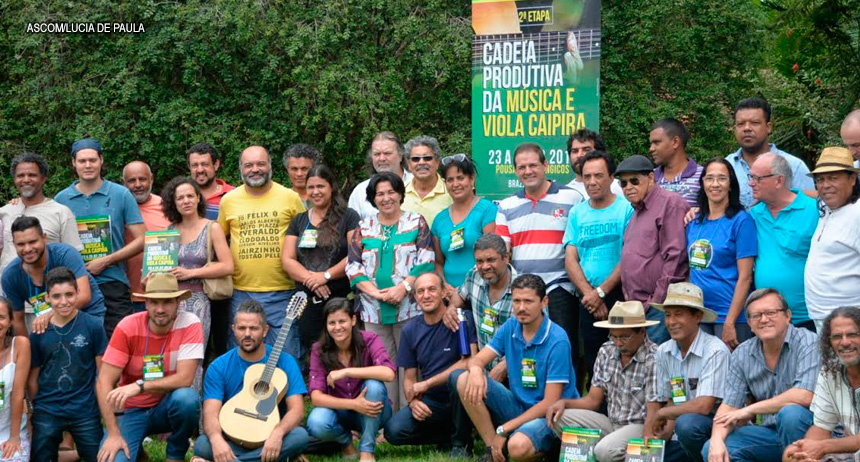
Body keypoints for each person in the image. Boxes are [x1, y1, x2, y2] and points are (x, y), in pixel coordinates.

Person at [453, 274, 579, 462]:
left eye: (528, 301)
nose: (521, 308)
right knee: (464, 378)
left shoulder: (557, 339)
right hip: (519, 405)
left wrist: (505, 428)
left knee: (517, 447)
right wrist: (477, 371)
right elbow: (476, 360)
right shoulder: (511, 325)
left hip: (551, 415)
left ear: (544, 302)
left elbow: (549, 402)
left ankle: (544, 450)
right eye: (516, 301)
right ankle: (492, 450)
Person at [346, 171, 435, 409]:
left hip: (409, 307)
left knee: (410, 362)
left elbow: (426, 261)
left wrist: (403, 288)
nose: (386, 198)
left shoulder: (416, 222)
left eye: (391, 192)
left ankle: (410, 416)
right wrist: (376, 294)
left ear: (401, 194)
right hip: (373, 310)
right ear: (373, 198)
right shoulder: (363, 227)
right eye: (380, 194)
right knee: (384, 364)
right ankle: (387, 419)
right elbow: (353, 267)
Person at [496, 143, 585, 372]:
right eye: (521, 167)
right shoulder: (506, 206)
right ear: (515, 171)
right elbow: (504, 253)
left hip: (560, 288)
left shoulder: (571, 198)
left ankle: (565, 403)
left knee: (564, 352)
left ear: (545, 165)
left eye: (533, 165)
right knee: (528, 355)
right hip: (524, 292)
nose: (528, 171)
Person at [702, 288, 819, 462]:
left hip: (812, 433)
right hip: (770, 434)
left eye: (771, 313)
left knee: (791, 414)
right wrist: (717, 441)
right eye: (756, 316)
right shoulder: (742, 353)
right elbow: (728, 408)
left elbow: (804, 396)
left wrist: (748, 410)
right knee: (711, 449)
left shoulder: (808, 342)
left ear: (788, 316)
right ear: (749, 323)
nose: (764, 320)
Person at [96, 272, 203, 462]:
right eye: (154, 302)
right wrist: (113, 434)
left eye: (167, 302)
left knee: (187, 399)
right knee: (114, 459)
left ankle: (175, 454)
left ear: (178, 302)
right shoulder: (127, 326)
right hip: (132, 409)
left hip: (166, 405)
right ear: (145, 303)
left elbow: (185, 378)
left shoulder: (190, 323)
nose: (160, 309)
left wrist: (139, 386)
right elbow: (104, 381)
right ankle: (135, 451)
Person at [193, 299, 309, 462]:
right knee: (204, 444)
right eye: (242, 328)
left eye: (253, 328)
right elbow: (211, 413)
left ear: (265, 330)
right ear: (233, 329)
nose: (247, 334)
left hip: (268, 437)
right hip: (230, 437)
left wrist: (278, 433)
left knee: (299, 436)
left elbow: (297, 410)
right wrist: (217, 440)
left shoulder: (285, 361)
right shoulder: (219, 366)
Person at [546, 300, 658, 462]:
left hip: (639, 426)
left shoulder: (653, 357)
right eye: (614, 336)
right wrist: (564, 403)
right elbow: (593, 400)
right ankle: (603, 451)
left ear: (642, 331)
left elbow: (653, 409)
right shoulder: (606, 350)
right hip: (611, 423)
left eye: (625, 337)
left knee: (605, 450)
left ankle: (607, 451)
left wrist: (648, 438)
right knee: (559, 417)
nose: (618, 343)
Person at [54, 138, 145, 338]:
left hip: (113, 282)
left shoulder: (121, 194)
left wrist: (106, 260)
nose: (88, 165)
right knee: (79, 344)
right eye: (82, 161)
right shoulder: (61, 199)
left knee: (119, 343)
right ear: (73, 163)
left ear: (101, 160)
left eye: (92, 160)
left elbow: (142, 239)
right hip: (74, 285)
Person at [218, 145, 306, 352]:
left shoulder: (290, 197)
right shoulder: (228, 200)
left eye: (260, 164)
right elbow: (219, 240)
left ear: (270, 166)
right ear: (240, 168)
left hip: (283, 291)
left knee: (287, 354)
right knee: (243, 354)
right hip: (241, 293)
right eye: (249, 165)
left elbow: (305, 239)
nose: (255, 169)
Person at [383, 273, 477, 455]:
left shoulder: (462, 319)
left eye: (432, 289)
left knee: (459, 379)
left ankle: (461, 443)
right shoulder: (410, 330)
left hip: (464, 395)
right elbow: (409, 378)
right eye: (420, 291)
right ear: (415, 297)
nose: (426, 295)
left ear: (443, 293)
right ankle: (448, 435)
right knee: (393, 431)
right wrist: (413, 402)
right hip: (433, 402)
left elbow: (470, 362)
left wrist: (426, 384)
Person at [563, 150, 632, 382]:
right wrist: (591, 295)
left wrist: (602, 292)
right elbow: (571, 258)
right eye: (587, 176)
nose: (592, 182)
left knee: (626, 358)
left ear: (612, 177)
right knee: (595, 362)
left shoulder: (626, 209)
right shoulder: (577, 212)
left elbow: (630, 255)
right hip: (588, 301)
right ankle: (597, 414)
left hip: (621, 297)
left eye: (599, 176)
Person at [161, 176, 234, 389]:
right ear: (173, 203)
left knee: (193, 358)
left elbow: (228, 266)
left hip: (197, 302)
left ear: (198, 199)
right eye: (180, 197)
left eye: (190, 196)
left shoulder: (212, 228)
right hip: (170, 301)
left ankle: (196, 414)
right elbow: (161, 266)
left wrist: (192, 273)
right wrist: (152, 276)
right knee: (170, 356)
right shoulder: (169, 231)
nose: (185, 201)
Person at [28, 267, 107, 462]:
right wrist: (36, 407)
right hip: (48, 409)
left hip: (84, 409)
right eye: (56, 296)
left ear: (78, 293)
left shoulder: (93, 325)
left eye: (69, 294)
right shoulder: (39, 332)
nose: (63, 302)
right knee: (41, 457)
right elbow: (33, 377)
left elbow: (103, 372)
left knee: (97, 457)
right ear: (47, 298)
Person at [283, 165, 360, 359]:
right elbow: (287, 259)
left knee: (343, 350)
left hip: (340, 297)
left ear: (331, 187)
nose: (316, 192)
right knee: (313, 352)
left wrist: (326, 276)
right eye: (311, 187)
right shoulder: (299, 220)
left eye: (321, 186)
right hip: (306, 300)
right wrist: (312, 279)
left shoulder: (349, 217)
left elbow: (355, 254)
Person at [647, 282, 729, 462]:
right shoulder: (664, 351)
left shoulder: (715, 351)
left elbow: (704, 406)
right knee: (653, 454)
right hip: (683, 430)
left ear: (698, 317)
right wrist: (664, 435)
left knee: (688, 425)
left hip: (718, 428)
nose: (671, 322)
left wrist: (662, 414)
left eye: (679, 314)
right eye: (667, 315)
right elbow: (673, 399)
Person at [306, 298, 395, 462]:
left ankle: (367, 450)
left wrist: (346, 372)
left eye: (342, 321)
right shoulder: (319, 349)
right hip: (342, 413)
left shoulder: (369, 339)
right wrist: (354, 404)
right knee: (317, 421)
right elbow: (316, 398)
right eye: (332, 323)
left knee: (374, 386)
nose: (337, 327)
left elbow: (389, 373)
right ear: (326, 325)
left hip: (375, 409)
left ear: (353, 320)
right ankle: (346, 442)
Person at [617, 154, 690, 344]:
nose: (629, 187)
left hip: (659, 307)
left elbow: (676, 256)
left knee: (658, 365)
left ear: (651, 178)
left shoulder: (669, 203)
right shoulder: (636, 211)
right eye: (623, 184)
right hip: (637, 307)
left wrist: (656, 300)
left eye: (634, 180)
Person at [686, 158, 757, 348]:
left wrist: (730, 321)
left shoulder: (741, 221)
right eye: (709, 178)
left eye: (722, 178)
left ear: (731, 184)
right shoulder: (694, 222)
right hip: (699, 314)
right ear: (702, 183)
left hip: (729, 314)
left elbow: (745, 277)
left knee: (730, 375)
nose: (715, 184)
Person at [748, 153, 819, 332]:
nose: (750, 183)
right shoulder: (753, 215)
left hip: (807, 317)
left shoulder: (814, 211)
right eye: (751, 177)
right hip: (765, 318)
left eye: (757, 178)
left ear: (779, 181)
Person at [2, 216, 105, 334]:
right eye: (21, 244)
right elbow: (18, 320)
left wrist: (48, 315)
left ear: (44, 238)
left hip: (86, 312)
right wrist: (26, 349)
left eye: (32, 242)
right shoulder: (10, 276)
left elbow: (84, 296)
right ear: (14, 245)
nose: (27, 249)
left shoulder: (66, 254)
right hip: (50, 323)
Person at [783, 307, 860, 462]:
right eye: (837, 336)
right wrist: (803, 451)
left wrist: (823, 447)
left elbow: (824, 444)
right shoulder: (830, 373)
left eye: (852, 334)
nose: (845, 342)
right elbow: (821, 428)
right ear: (829, 342)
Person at [442, 233, 515, 380]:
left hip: (514, 370)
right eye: (479, 261)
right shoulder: (474, 276)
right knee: (457, 378)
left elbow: (534, 338)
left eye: (491, 260)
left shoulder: (524, 290)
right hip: (481, 368)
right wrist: (451, 308)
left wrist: (505, 365)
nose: (485, 266)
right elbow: (460, 295)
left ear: (506, 257)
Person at [804, 147, 860, 332]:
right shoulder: (828, 210)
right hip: (824, 319)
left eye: (833, 178)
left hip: (849, 322)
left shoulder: (857, 213)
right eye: (820, 179)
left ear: (852, 179)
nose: (825, 185)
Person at [0, 152, 82, 277]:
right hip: (6, 292)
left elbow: (73, 258)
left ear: (43, 179)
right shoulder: (5, 212)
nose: (26, 180)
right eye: (20, 175)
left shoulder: (61, 213)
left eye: (32, 175)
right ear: (14, 180)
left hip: (47, 291)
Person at [726, 97, 815, 208]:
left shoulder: (794, 166)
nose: (747, 128)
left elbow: (810, 207)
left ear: (768, 127)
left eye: (755, 123)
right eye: (740, 124)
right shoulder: (726, 167)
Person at [431, 154, 497, 289]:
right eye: (450, 180)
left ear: (472, 180)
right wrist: (445, 286)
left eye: (460, 178)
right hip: (448, 294)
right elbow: (438, 262)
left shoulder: (487, 210)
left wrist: (464, 292)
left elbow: (493, 255)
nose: (455, 184)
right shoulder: (440, 219)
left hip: (480, 290)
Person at [122, 161, 171, 312]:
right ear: (124, 183)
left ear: (151, 179)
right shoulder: (117, 207)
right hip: (126, 295)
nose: (138, 185)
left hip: (162, 295)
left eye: (142, 179)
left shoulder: (168, 206)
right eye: (131, 180)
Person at [348, 131, 413, 220]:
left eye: (387, 153)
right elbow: (352, 229)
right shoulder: (360, 192)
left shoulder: (416, 183)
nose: (382, 158)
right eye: (377, 154)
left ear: (401, 155)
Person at [0, 297, 30, 462]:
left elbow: (18, 394)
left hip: (11, 428)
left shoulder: (19, 345)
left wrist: (14, 436)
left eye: (1, 317)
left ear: (11, 321)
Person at [650, 117, 703, 206]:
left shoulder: (703, 176)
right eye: (651, 144)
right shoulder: (650, 179)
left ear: (675, 142)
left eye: (656, 142)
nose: (651, 149)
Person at [402, 135, 453, 227]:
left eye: (427, 158)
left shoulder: (452, 191)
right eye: (416, 159)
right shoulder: (399, 194)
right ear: (409, 165)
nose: (421, 162)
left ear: (437, 162)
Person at [565, 129, 623, 199]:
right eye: (575, 151)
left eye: (586, 149)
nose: (579, 155)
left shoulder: (618, 187)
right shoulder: (566, 192)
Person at [186, 142, 236, 221]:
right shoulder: (182, 198)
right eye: (195, 165)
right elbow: (170, 229)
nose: (200, 170)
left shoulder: (234, 195)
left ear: (216, 165)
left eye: (205, 164)